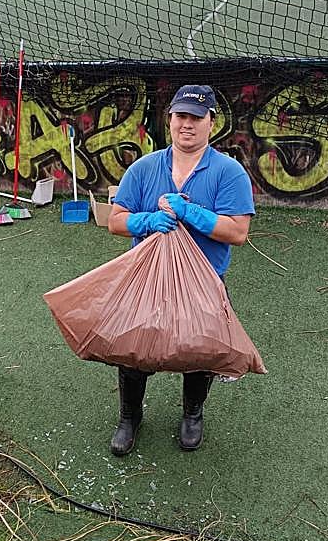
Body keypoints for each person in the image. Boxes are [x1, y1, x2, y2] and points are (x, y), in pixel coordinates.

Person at [107, 84, 255, 456]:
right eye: (180, 116)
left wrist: (191, 213)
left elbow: (237, 231)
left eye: (196, 117)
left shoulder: (228, 172)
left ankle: (192, 414)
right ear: (169, 119)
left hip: (204, 281)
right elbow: (115, 221)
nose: (186, 125)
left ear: (211, 123)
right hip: (147, 281)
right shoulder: (143, 168)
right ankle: (130, 416)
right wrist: (148, 221)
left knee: (200, 354)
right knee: (133, 351)